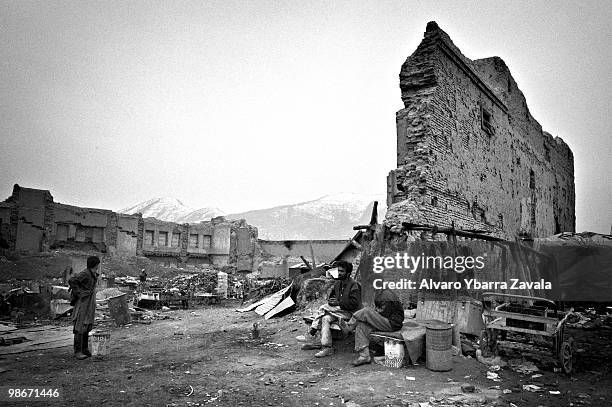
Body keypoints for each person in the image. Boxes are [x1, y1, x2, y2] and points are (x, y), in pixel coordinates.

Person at [302, 260, 361, 358]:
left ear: (348, 273)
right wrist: (331, 301)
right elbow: (332, 297)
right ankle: (327, 347)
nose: (339, 273)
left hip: (351, 313)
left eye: (342, 271)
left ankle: (312, 330)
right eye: (338, 270)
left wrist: (338, 303)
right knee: (325, 318)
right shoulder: (338, 283)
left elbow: (354, 304)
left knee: (323, 308)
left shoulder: (354, 285)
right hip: (338, 311)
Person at [346, 288, 405, 366]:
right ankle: (364, 356)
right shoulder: (381, 293)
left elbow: (384, 312)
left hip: (392, 323)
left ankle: (348, 327)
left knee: (366, 311)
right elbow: (379, 310)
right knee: (361, 325)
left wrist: (374, 312)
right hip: (384, 321)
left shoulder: (387, 294)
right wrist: (374, 312)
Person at [68, 256, 100, 360]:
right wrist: (79, 293)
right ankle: (78, 351)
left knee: (87, 324)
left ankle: (85, 348)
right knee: (80, 324)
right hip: (83, 302)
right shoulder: (86, 273)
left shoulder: (92, 273)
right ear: (95, 264)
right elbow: (72, 280)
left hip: (89, 302)